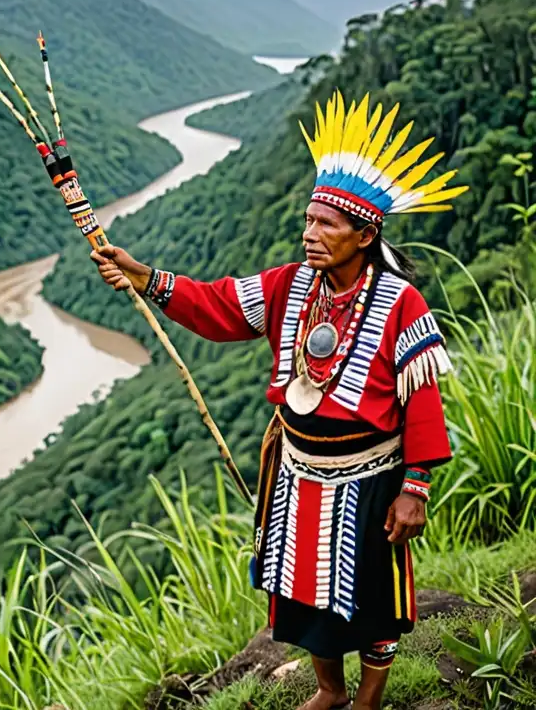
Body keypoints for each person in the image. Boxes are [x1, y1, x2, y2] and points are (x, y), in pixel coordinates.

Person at [91, 91, 466, 710]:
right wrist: (145, 278)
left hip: (371, 478)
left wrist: (414, 488)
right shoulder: (290, 285)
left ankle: (369, 697)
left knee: (370, 598)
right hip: (300, 474)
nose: (309, 233)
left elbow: (422, 402)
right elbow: (216, 306)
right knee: (304, 593)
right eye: (309, 219)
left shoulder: (402, 303)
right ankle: (329, 689)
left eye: (326, 224)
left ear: (364, 234)